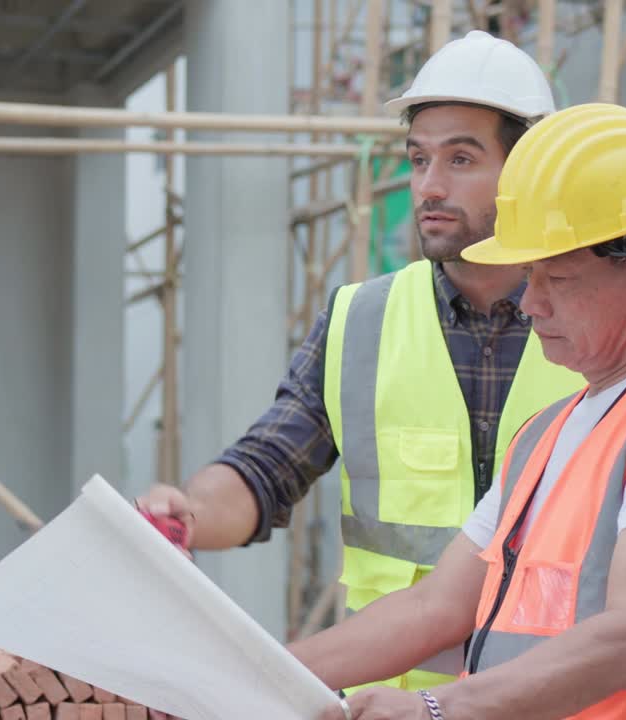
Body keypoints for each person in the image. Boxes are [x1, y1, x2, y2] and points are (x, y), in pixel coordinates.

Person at [292, 103, 626, 719]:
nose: (530, 303)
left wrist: (434, 710)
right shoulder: (550, 432)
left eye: (556, 277)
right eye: (528, 275)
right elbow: (436, 609)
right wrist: (250, 675)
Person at [134, 30, 585, 692]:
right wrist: (190, 513)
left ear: (531, 171)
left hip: (555, 704)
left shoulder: (598, 325)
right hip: (388, 706)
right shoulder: (362, 323)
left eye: (460, 160)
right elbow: (266, 469)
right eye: (418, 158)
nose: (427, 186)